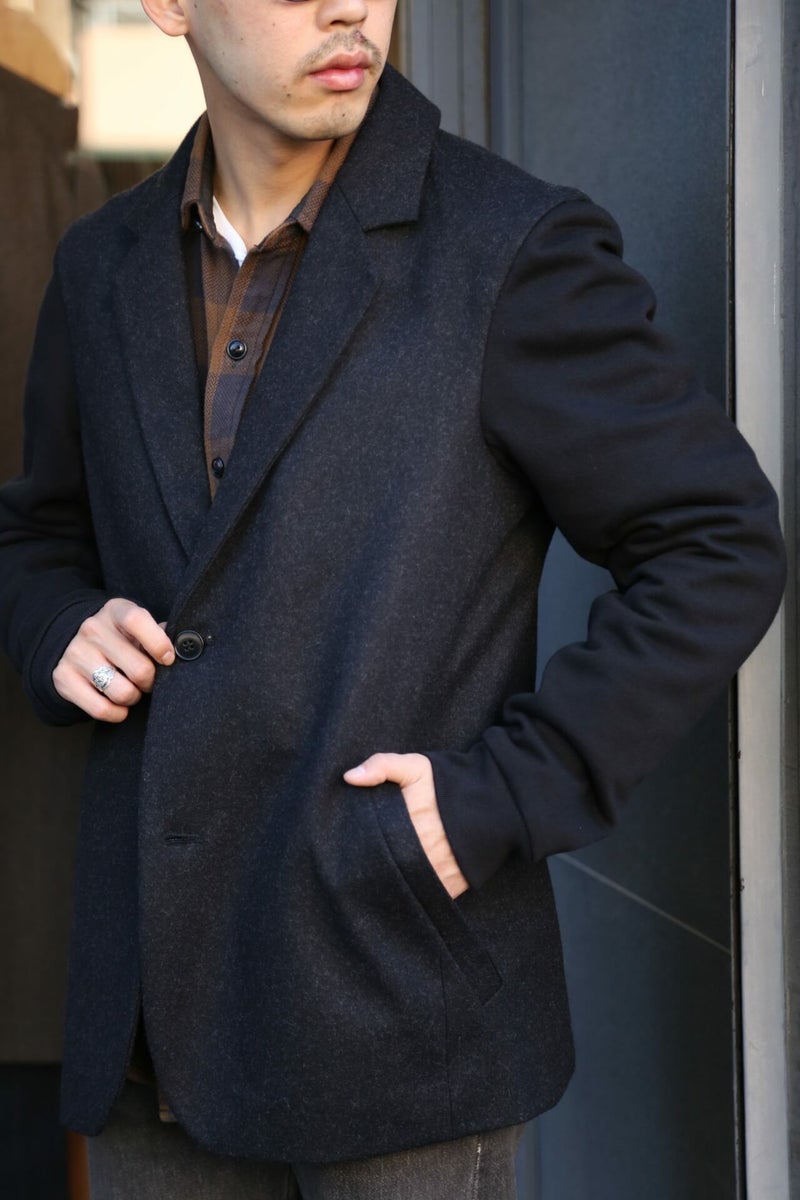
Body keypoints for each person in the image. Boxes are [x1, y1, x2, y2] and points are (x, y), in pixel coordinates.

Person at [0, 0, 785, 1195]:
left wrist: (504, 795)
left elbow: (713, 542)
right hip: (151, 1009)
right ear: (168, 5)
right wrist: (56, 624)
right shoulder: (100, 264)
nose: (349, 6)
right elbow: (40, 531)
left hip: (392, 992)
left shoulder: (510, 249)